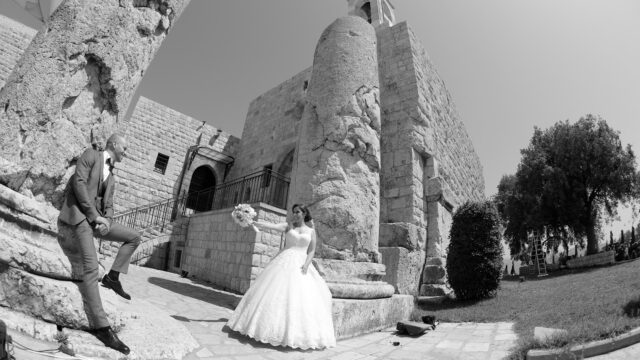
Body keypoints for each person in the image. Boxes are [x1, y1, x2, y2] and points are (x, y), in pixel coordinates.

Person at [57, 133, 140, 355]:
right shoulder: (91, 155)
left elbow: (110, 205)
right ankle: (102, 327)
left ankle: (113, 277)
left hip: (98, 222)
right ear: (113, 144)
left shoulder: (112, 177)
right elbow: (79, 183)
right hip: (81, 217)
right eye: (125, 147)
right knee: (91, 268)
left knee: (134, 237)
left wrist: (107, 222)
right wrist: (95, 216)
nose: (126, 152)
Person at [226, 204, 336, 349]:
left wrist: (306, 264)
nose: (295, 214)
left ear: (304, 214)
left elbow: (311, 250)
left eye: (298, 212)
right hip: (284, 260)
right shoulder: (288, 226)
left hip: (301, 264)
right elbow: (271, 226)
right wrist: (253, 222)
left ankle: (295, 335)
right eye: (294, 212)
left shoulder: (311, 231)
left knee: (301, 297)